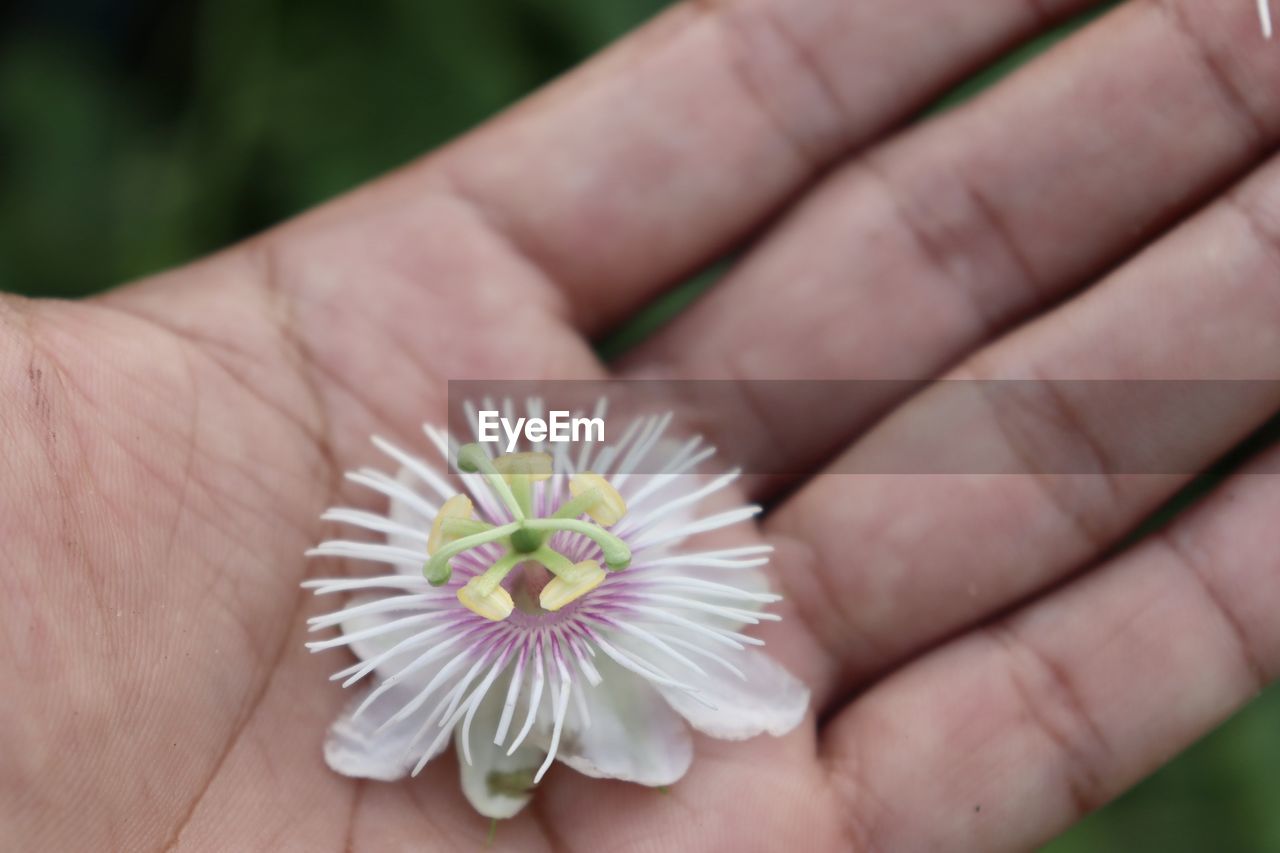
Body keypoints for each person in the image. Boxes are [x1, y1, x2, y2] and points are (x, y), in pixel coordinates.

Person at [3, 1, 1279, 849]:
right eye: (529, 544)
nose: (533, 536)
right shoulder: (467, 629)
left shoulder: (583, 589)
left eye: (538, 541)